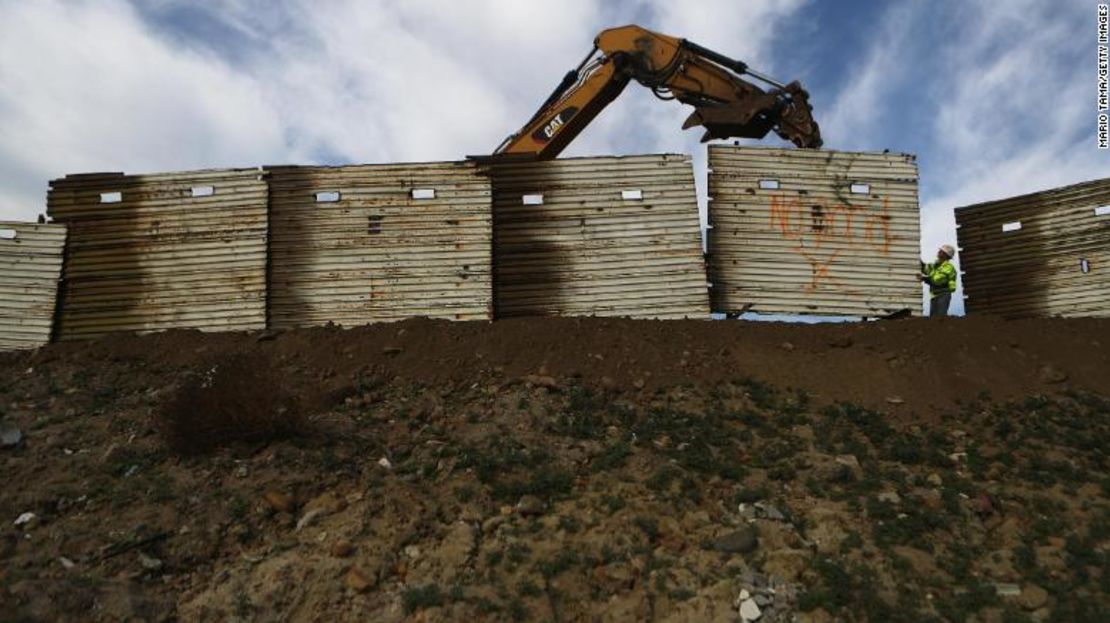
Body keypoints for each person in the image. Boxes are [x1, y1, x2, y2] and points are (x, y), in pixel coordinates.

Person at [921, 244, 957, 317]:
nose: (938, 252)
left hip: (943, 294)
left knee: (940, 317)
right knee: (933, 318)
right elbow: (926, 268)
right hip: (935, 294)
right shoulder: (936, 265)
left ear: (946, 255)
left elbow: (938, 281)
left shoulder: (948, 267)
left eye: (941, 251)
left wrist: (924, 278)